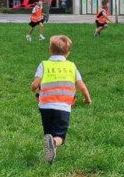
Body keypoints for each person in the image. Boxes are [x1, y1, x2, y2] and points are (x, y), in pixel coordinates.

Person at [32, 35, 92, 164]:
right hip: (63, 107)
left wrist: (33, 89)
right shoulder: (71, 66)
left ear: (50, 50)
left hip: (45, 106)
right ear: (68, 53)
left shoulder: (44, 65)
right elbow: (81, 85)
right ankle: (54, 143)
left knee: (48, 132)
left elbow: (35, 84)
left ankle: (51, 155)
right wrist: (87, 98)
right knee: (59, 136)